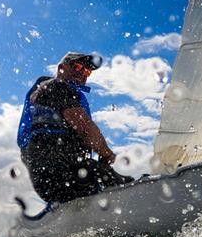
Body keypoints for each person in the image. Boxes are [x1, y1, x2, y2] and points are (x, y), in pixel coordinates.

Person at [17, 52, 133, 204]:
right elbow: (84, 127)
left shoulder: (57, 90)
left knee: (93, 177)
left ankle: (77, 210)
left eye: (87, 71)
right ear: (61, 68)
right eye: (77, 66)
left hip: (54, 177)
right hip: (56, 171)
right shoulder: (57, 86)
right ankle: (135, 194)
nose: (82, 73)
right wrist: (107, 154)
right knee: (101, 172)